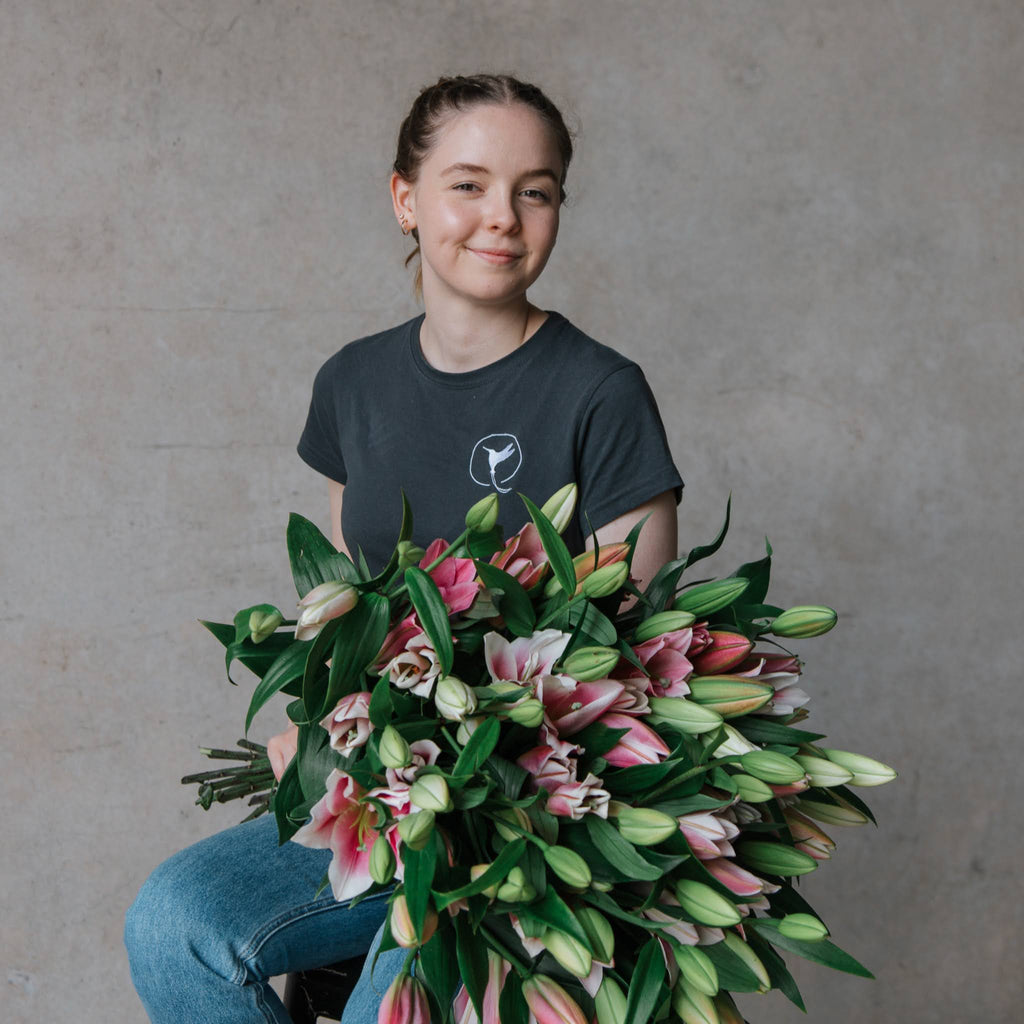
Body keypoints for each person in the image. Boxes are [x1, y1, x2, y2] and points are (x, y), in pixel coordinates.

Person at [125, 73, 683, 1024]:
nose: (501, 216)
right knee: (173, 923)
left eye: (535, 190)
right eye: (468, 183)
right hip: (381, 794)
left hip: (528, 821)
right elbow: (353, 603)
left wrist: (452, 760)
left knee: (391, 1006)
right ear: (405, 199)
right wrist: (325, 721)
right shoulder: (353, 383)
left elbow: (626, 666)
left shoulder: (601, 393)